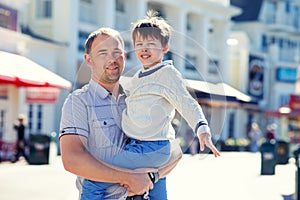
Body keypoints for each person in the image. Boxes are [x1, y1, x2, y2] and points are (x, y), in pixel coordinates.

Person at [81, 10, 220, 200]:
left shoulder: (167, 74)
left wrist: (202, 128)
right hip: (144, 146)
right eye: (139, 45)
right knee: (155, 192)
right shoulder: (139, 76)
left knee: (94, 179)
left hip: (149, 147)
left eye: (151, 44)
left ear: (164, 48)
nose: (144, 49)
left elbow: (186, 101)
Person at [59, 27, 182, 200]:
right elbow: (72, 159)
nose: (112, 59)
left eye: (117, 53)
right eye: (103, 53)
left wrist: (150, 178)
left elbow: (175, 151)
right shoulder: (78, 102)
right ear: (88, 59)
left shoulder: (140, 97)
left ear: (124, 57)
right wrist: (128, 178)